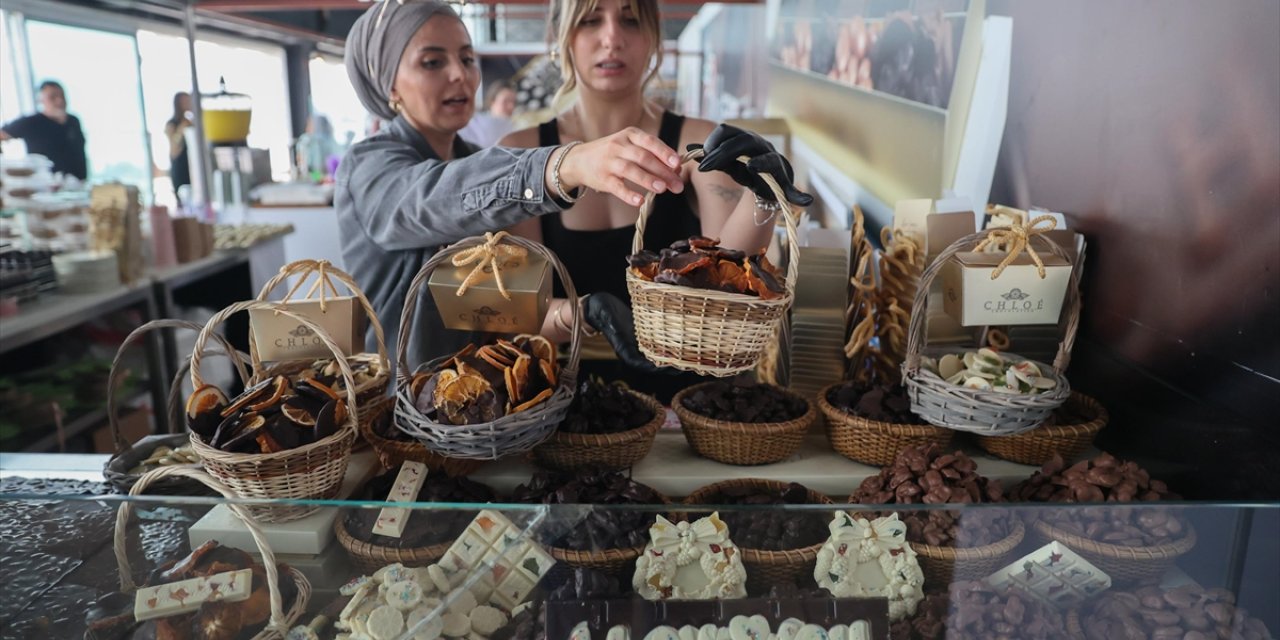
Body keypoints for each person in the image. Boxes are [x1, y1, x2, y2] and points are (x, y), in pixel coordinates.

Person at [338, 0, 696, 374]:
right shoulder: (370, 167)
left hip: (483, 408)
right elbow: (434, 199)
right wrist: (564, 163)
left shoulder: (480, 161)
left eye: (466, 58)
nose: (459, 75)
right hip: (402, 411)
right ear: (389, 82)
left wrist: (582, 313)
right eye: (432, 62)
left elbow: (499, 307)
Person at [500, 0, 812, 399]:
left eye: (630, 20)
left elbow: (730, 280)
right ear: (561, 37)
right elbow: (516, 316)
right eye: (591, 21)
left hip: (687, 401)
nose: (612, 38)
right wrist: (584, 312)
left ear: (653, 39)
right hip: (565, 405)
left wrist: (763, 198)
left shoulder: (695, 144)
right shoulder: (525, 157)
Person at [0, 81, 88, 180]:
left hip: (78, 186)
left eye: (62, 96)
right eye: (53, 97)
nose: (59, 101)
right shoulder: (31, 122)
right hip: (45, 189)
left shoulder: (73, 121)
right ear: (41, 100)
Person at [458, 80, 517, 147]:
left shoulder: (512, 127)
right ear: (492, 101)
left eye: (514, 102)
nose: (511, 106)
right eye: (505, 101)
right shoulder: (474, 123)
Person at [164, 92, 193, 203]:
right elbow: (174, 150)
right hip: (179, 167)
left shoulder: (192, 123)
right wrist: (182, 129)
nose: (188, 103)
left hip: (191, 166)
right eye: (185, 101)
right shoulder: (171, 124)